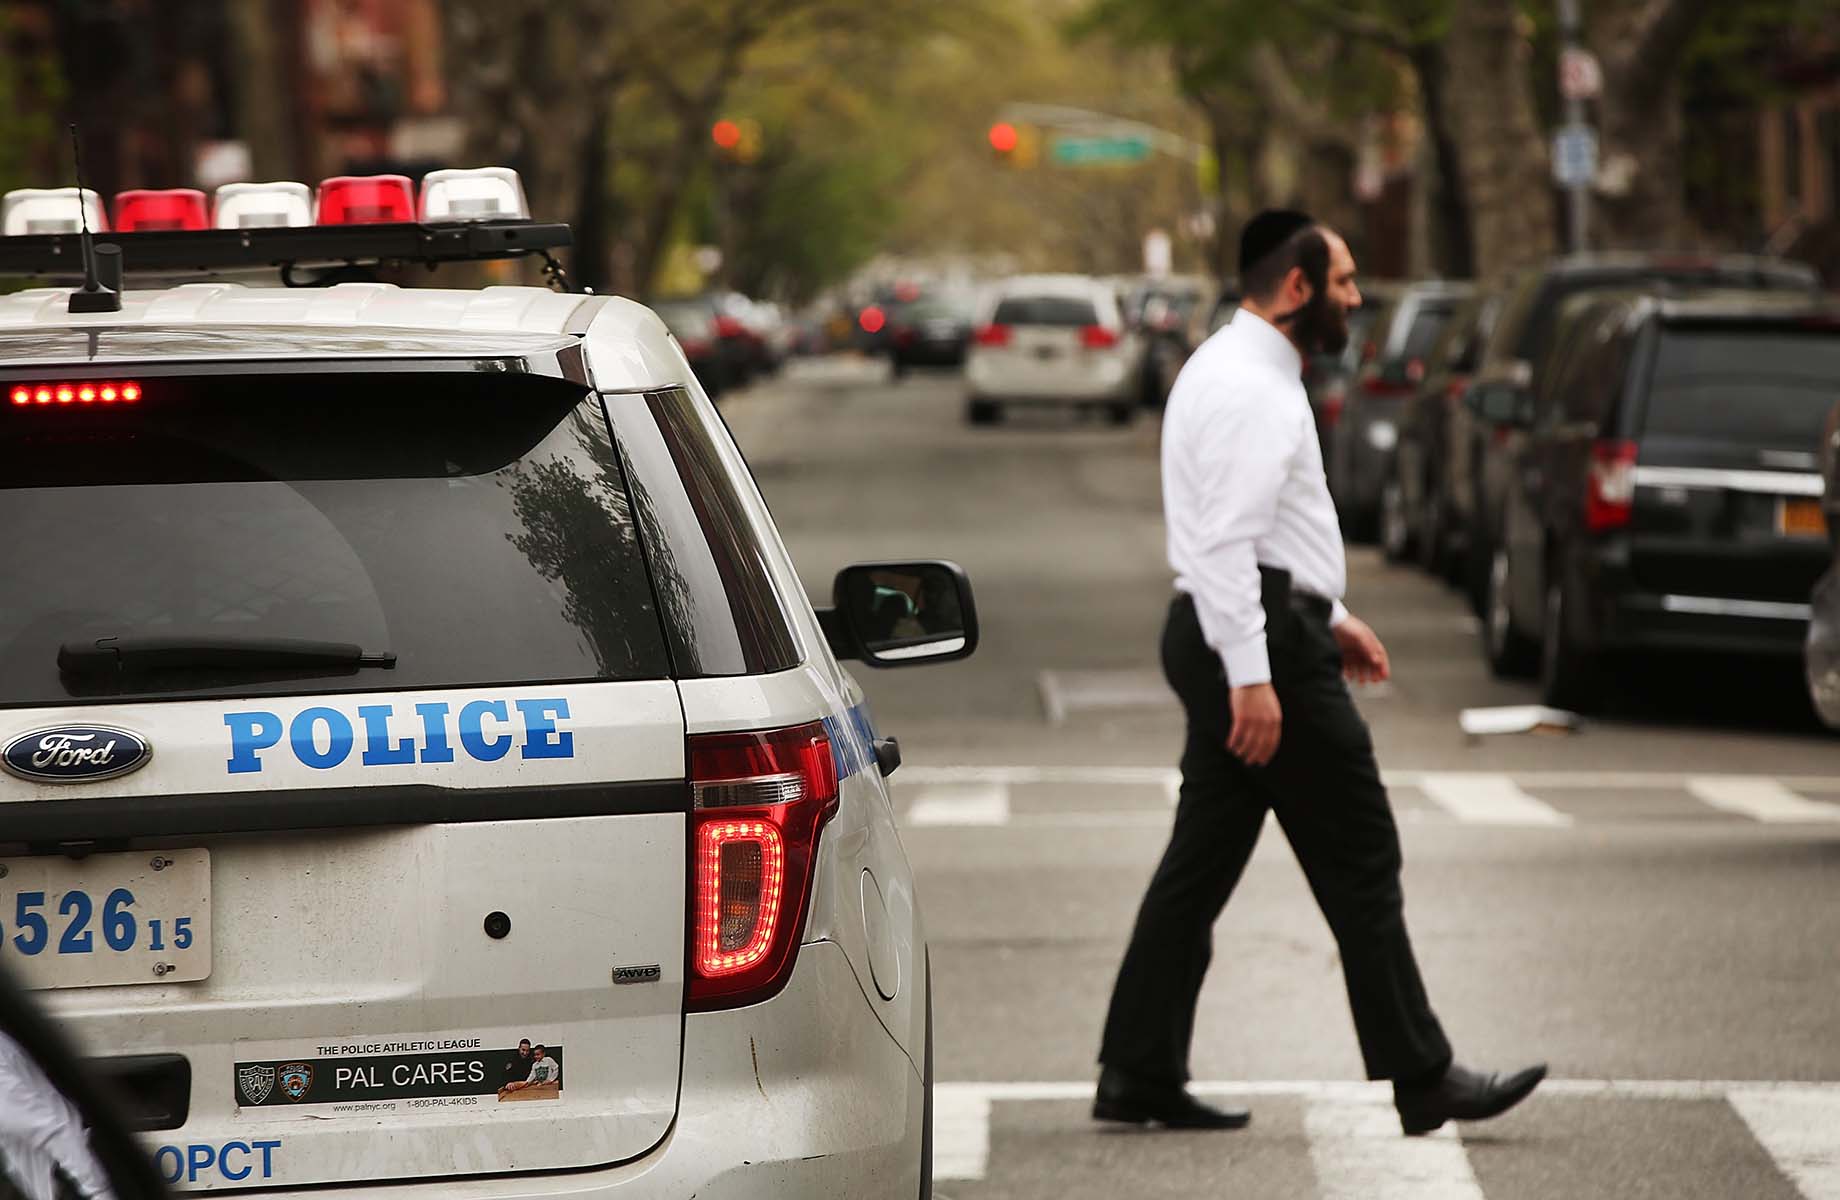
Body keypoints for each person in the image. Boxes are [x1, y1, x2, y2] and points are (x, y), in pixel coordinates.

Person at [1093, 210, 1546, 1137]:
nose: (1353, 298)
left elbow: (1255, 537)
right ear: (1296, 288)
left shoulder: (1239, 369)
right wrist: (1255, 674)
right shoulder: (1252, 389)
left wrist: (1331, 616)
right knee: (1361, 853)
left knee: (1201, 863)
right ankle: (1423, 1075)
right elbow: (1223, 544)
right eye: (1341, 282)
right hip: (1255, 643)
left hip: (1254, 627)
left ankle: (1137, 1071)